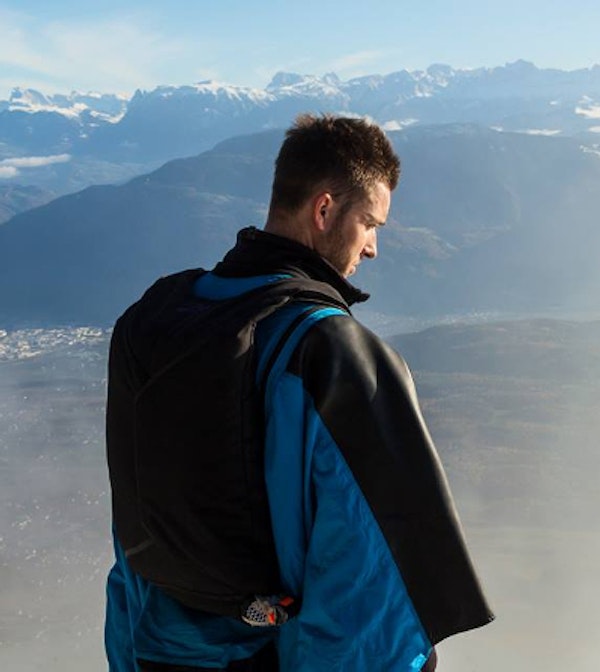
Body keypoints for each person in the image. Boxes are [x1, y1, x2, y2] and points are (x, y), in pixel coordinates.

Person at [104, 114, 493, 671]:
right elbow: (366, 594)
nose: (374, 248)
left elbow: (132, 531)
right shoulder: (333, 355)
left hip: (152, 651)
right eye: (370, 223)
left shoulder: (151, 321)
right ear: (325, 208)